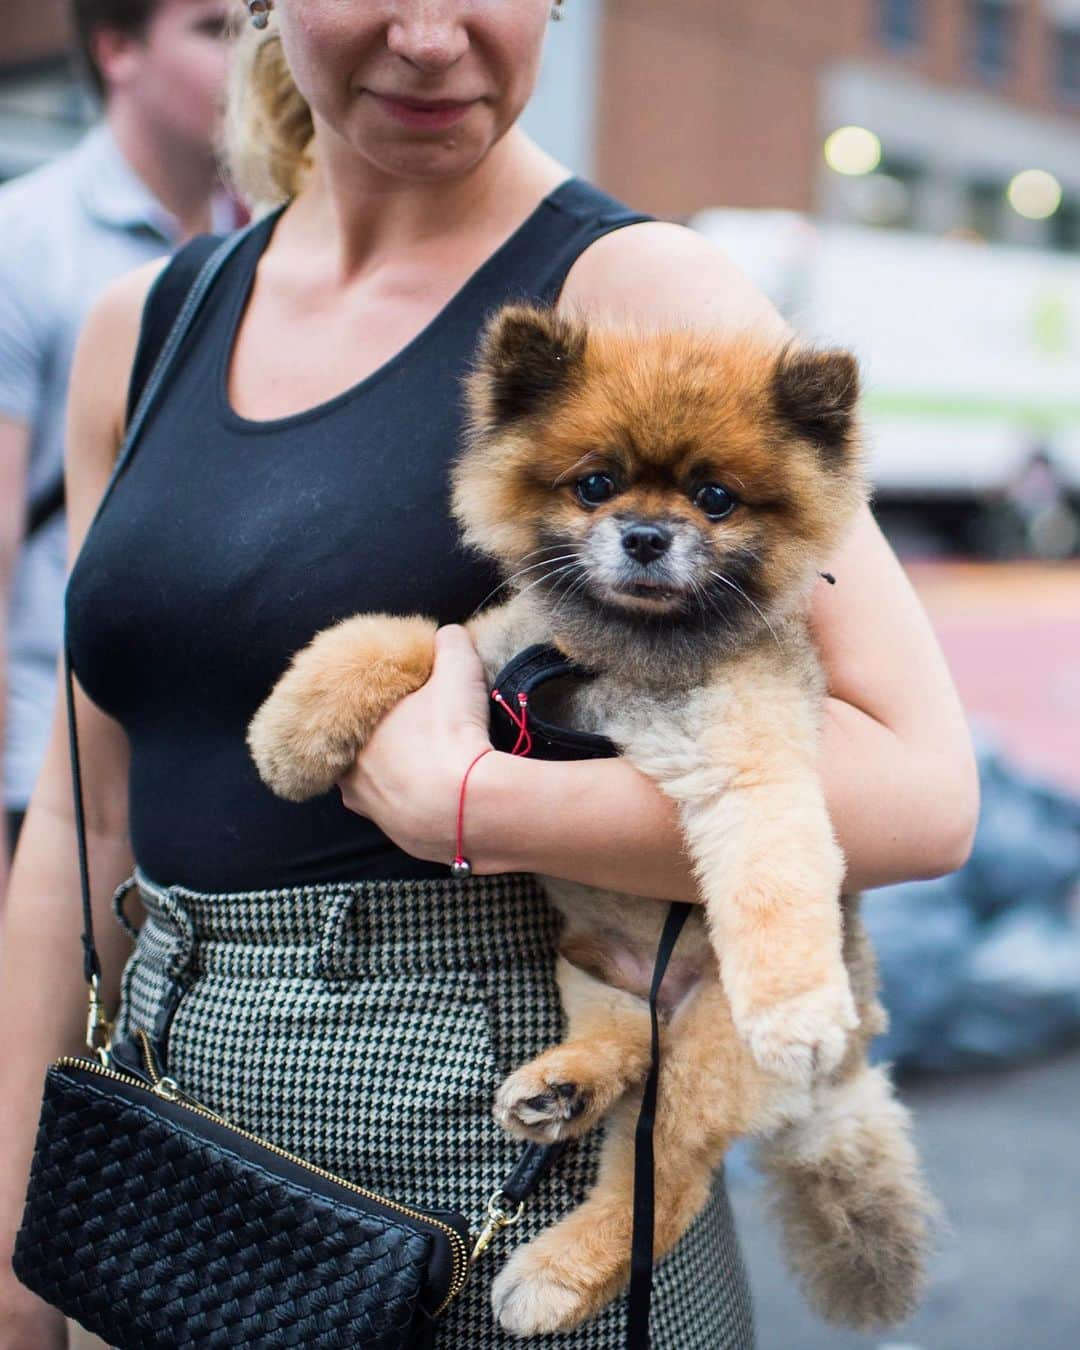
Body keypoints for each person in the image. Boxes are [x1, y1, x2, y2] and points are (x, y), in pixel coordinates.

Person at [0, 2, 981, 1346]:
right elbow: (83, 813)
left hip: (505, 1162)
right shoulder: (150, 320)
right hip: (168, 1154)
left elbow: (922, 788)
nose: (426, 33)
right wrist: (15, 1235)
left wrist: (479, 808)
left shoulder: (641, 292)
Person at [0, 0, 235, 887]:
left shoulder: (263, 241)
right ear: (116, 50)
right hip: (48, 769)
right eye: (212, 30)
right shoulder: (24, 242)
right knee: (60, 1031)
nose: (251, 58)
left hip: (202, 778)